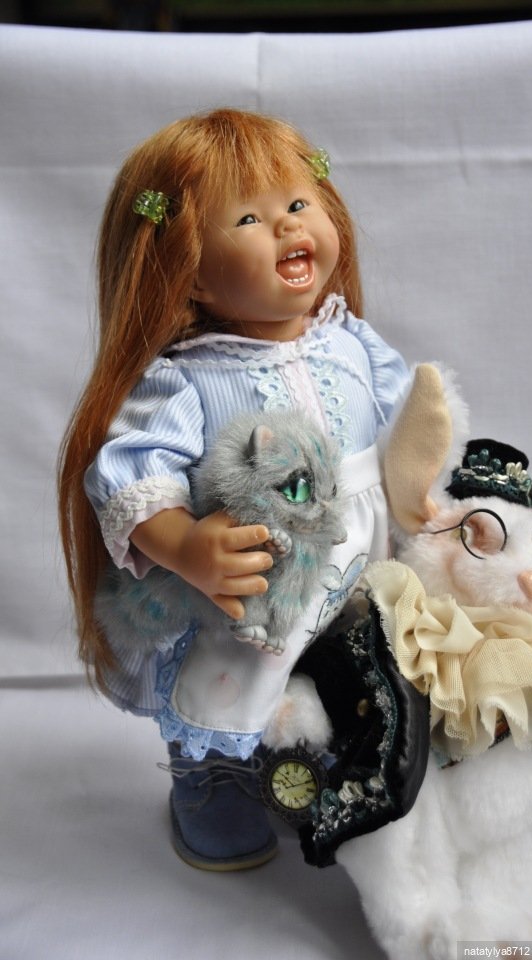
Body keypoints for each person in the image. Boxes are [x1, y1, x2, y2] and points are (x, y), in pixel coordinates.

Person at [58, 108, 409, 872]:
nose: (288, 227)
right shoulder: (185, 380)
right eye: (249, 218)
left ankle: (334, 762)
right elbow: (133, 474)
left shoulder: (354, 345)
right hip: (251, 585)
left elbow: (407, 431)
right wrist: (184, 544)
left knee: (349, 669)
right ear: (185, 268)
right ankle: (213, 776)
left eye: (298, 203)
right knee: (227, 680)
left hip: (359, 567)